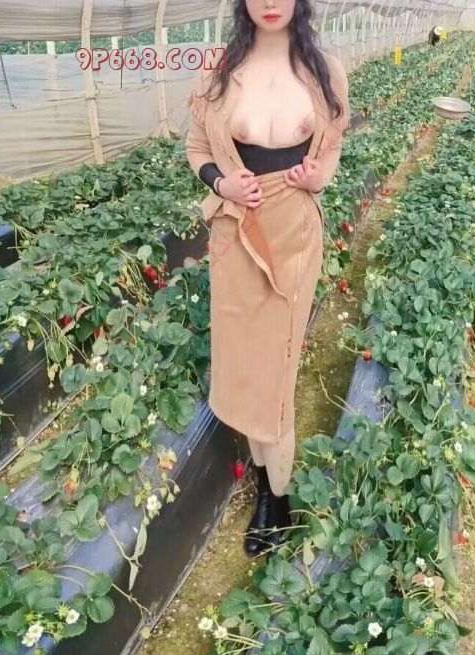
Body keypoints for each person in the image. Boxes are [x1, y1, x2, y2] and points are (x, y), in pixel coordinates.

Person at [185, 0, 349, 557]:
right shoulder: (220, 72)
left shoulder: (325, 72)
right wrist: (221, 183)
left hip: (293, 234)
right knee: (246, 364)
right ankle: (266, 486)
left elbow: (332, 148)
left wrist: (318, 176)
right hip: (236, 233)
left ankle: (277, 500)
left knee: (275, 371)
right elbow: (197, 147)